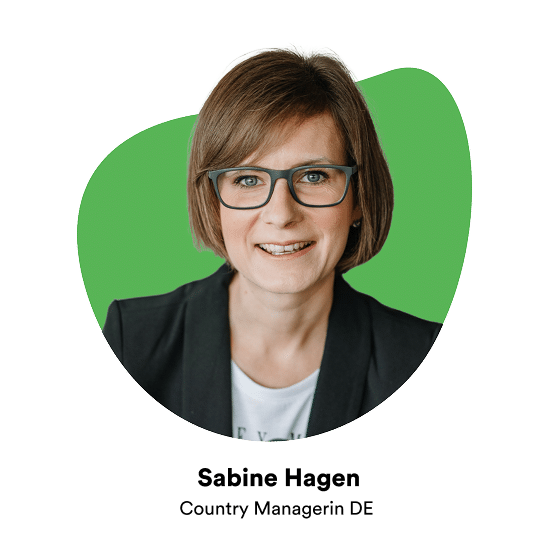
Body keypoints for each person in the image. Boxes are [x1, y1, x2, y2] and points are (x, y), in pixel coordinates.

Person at [103, 46, 442, 441]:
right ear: (213, 202)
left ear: (358, 198)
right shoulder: (132, 344)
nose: (281, 214)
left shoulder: (421, 358)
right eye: (247, 179)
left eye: (314, 176)